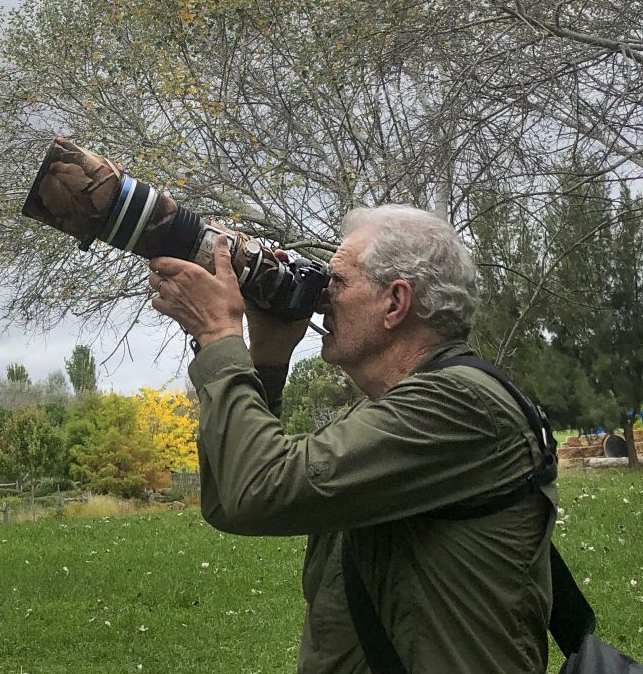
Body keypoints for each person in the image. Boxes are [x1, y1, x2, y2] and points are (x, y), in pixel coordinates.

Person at [148, 204, 555, 674]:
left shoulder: (457, 407)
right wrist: (267, 359)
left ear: (395, 303)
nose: (320, 298)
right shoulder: (394, 408)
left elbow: (259, 491)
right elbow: (229, 498)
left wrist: (219, 335)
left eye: (336, 282)